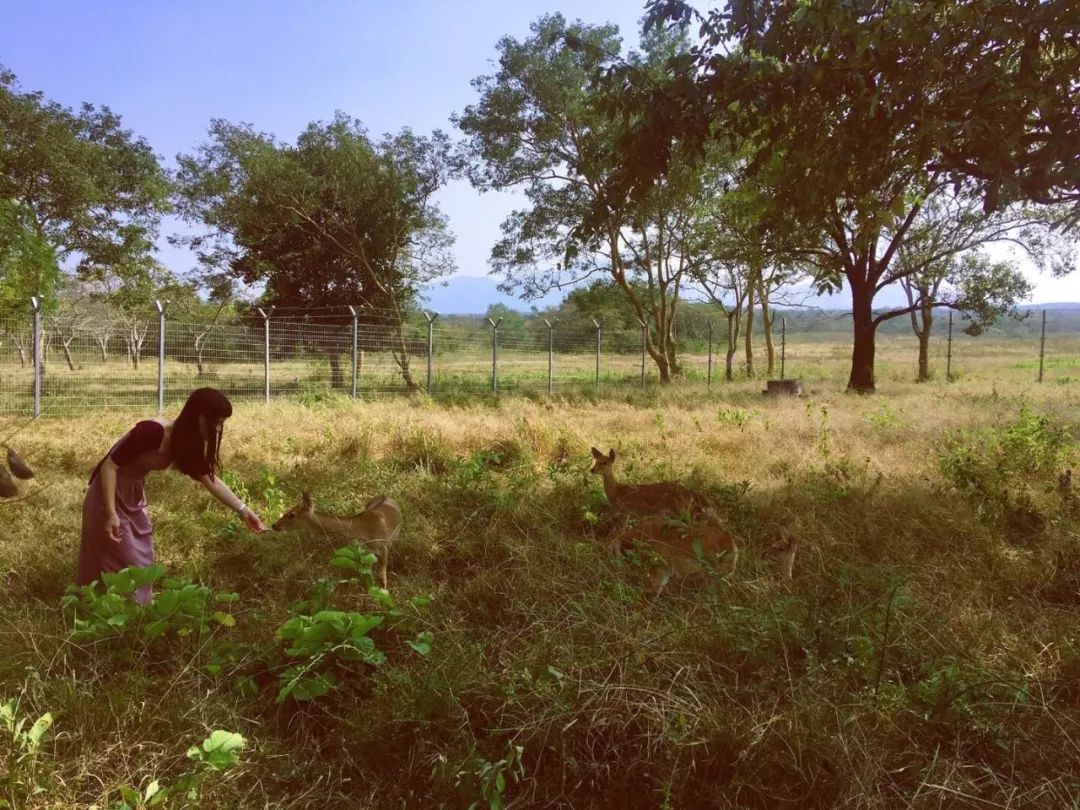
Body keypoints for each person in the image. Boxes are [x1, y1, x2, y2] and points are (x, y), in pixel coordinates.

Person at [76, 387, 266, 604]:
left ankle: (129, 612)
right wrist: (111, 513)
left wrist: (243, 510)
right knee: (129, 559)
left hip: (134, 495)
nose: (219, 428)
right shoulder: (152, 432)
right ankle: (122, 613)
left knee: (143, 557)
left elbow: (209, 479)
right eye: (217, 422)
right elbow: (109, 467)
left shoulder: (184, 443)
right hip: (107, 495)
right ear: (202, 418)